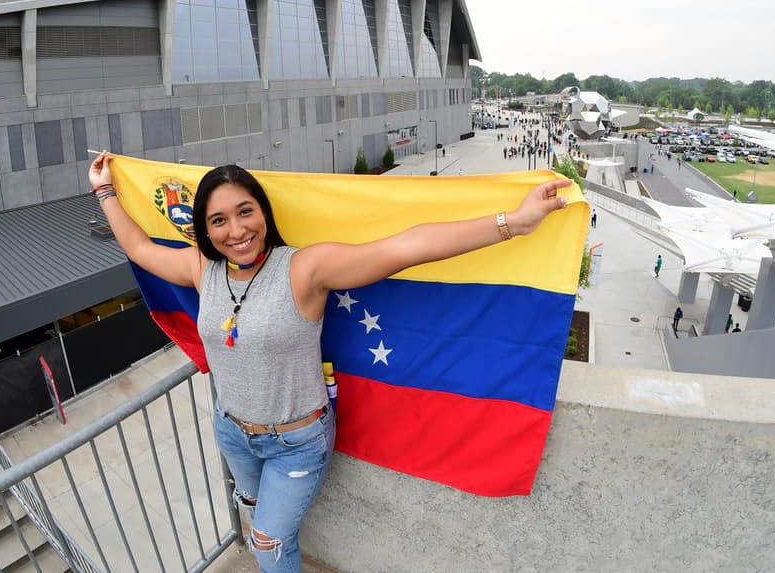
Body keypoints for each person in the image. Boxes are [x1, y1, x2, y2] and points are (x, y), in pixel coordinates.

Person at [88, 152, 570, 572]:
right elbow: (139, 248)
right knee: (255, 512)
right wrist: (107, 189)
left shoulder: (304, 269)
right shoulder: (201, 270)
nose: (236, 231)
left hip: (296, 442)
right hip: (232, 431)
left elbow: (406, 247)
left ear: (264, 212)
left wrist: (514, 222)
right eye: (219, 221)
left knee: (268, 543)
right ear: (206, 229)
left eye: (245, 212)